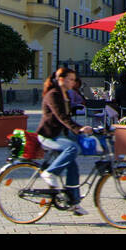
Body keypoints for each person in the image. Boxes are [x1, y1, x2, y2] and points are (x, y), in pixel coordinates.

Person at [37, 68, 97, 213]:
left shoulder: (67, 95)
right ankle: (50, 173)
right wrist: (78, 129)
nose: (73, 82)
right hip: (47, 135)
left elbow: (68, 119)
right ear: (61, 79)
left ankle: (73, 203)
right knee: (72, 148)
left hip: (60, 134)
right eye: (70, 79)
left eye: (74, 79)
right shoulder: (53, 95)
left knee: (73, 167)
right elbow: (61, 117)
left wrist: (81, 130)